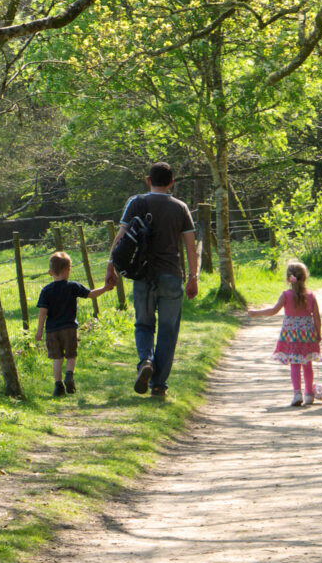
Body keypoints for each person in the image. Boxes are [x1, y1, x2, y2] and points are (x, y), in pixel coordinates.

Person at [107, 161, 199, 399]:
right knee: (169, 331)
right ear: (171, 182)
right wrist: (193, 277)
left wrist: (111, 266)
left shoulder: (136, 202)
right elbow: (190, 247)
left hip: (143, 275)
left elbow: (120, 237)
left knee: (144, 324)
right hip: (171, 275)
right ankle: (158, 385)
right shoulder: (180, 208)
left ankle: (146, 360)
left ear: (148, 180)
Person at [246, 259, 322, 407]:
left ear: (289, 279)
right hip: (307, 336)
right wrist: (318, 334)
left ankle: (297, 394)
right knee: (307, 364)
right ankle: (308, 394)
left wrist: (256, 313)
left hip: (291, 336)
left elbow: (273, 311)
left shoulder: (286, 295)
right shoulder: (311, 295)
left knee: (294, 364)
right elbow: (317, 317)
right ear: (305, 277)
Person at [34, 250, 109, 397]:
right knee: (71, 355)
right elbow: (91, 294)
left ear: (50, 272)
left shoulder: (46, 291)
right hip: (69, 327)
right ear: (68, 270)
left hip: (52, 330)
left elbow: (42, 312)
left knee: (57, 358)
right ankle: (69, 374)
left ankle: (58, 385)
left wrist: (39, 331)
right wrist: (105, 288)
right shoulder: (73, 286)